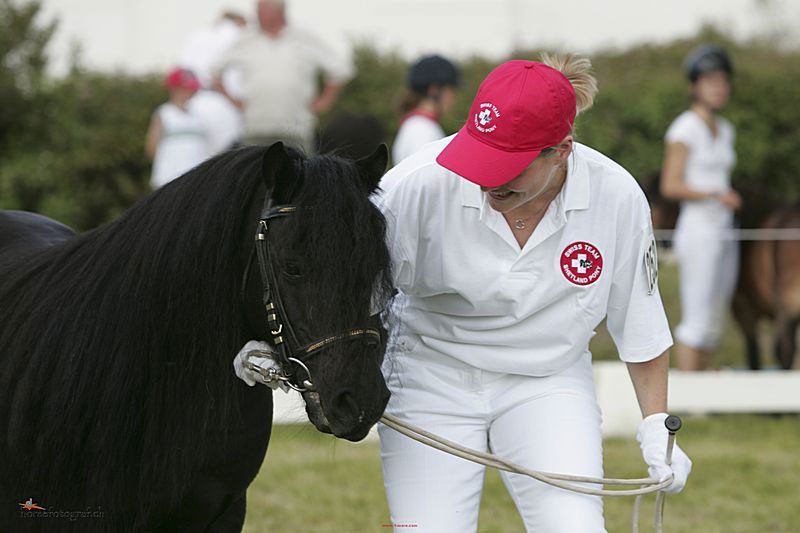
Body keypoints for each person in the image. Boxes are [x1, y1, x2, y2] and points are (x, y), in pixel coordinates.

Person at [374, 55, 692, 532]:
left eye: (507, 166)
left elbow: (640, 320)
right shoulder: (412, 186)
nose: (485, 179)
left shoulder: (617, 196)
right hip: (428, 375)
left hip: (549, 379)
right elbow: (361, 300)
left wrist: (654, 423)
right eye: (479, 156)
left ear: (561, 151)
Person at [660, 45, 739, 371]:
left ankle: (707, 387)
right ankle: (690, 394)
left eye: (723, 81)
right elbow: (670, 185)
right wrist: (715, 195)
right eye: (710, 81)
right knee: (697, 309)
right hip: (699, 228)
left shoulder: (726, 130)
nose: (718, 87)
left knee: (716, 307)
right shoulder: (684, 128)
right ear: (695, 86)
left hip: (725, 227)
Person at [211, 0, 353, 152]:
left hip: (296, 130)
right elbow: (214, 71)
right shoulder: (246, 39)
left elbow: (340, 69)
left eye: (262, 11)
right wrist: (233, 101)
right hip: (255, 129)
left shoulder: (304, 37)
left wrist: (325, 101)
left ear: (279, 12)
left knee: (298, 173)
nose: (257, 15)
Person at [178, 11, 248, 155]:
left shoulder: (197, 35)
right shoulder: (240, 36)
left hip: (194, 103)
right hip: (227, 106)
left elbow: (182, 73)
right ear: (239, 22)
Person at [145, 68, 208, 189]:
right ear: (175, 89)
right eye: (186, 88)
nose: (191, 92)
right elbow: (151, 148)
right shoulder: (164, 113)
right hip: (169, 180)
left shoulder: (198, 116)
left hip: (195, 181)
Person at [392, 55, 460, 163]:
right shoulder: (423, 131)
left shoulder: (417, 126)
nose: (453, 97)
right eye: (450, 89)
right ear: (434, 90)